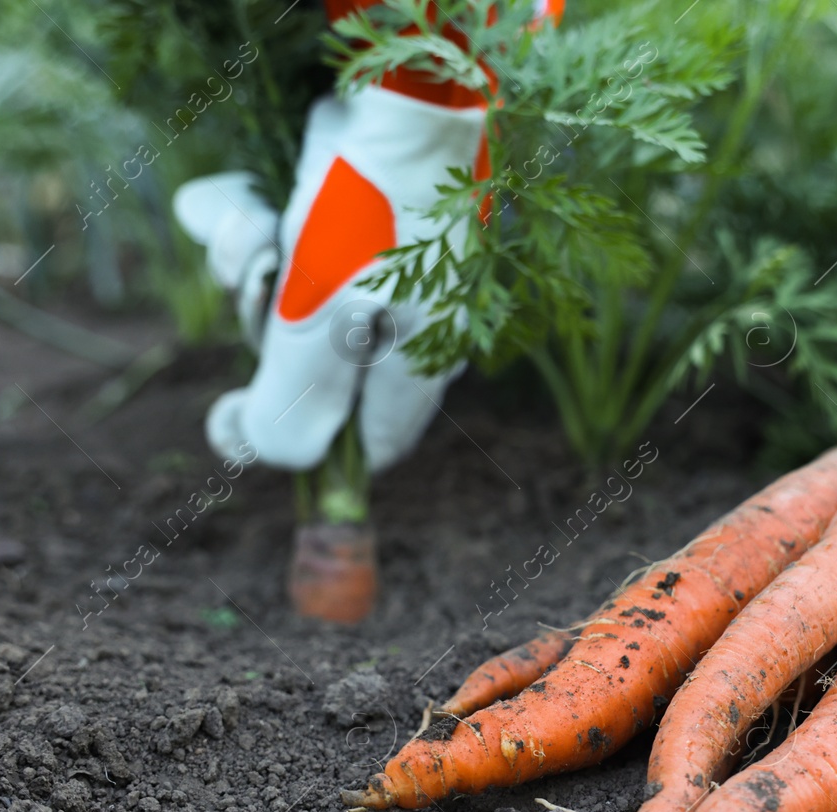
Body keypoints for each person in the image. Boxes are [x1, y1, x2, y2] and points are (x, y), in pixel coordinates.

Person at [173, 1, 562, 623]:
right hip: (383, 134)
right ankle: (258, 251)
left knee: (387, 346)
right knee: (320, 318)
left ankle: (256, 247)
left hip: (450, 150)